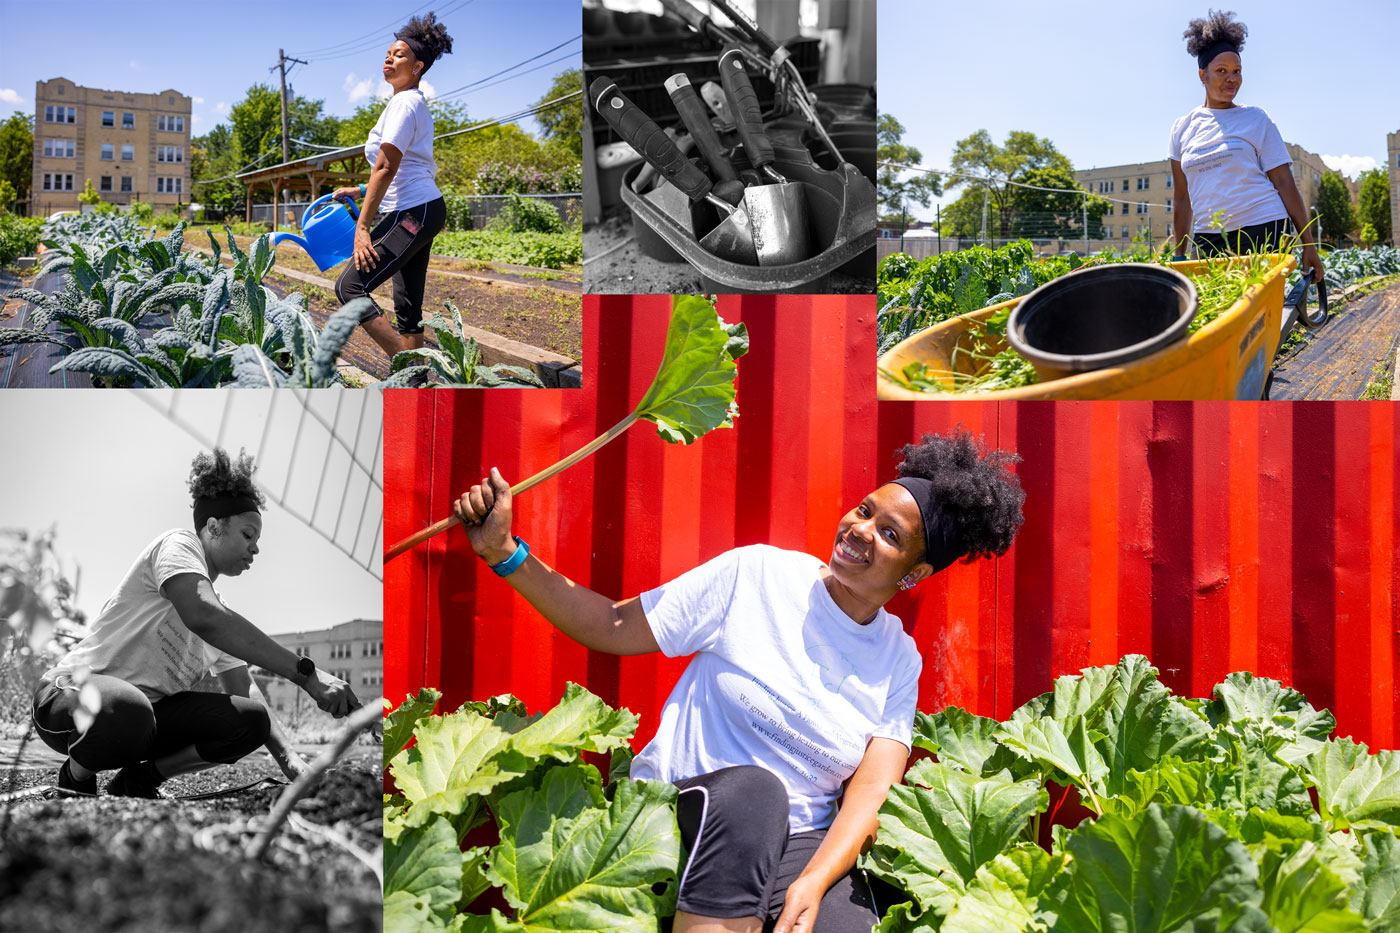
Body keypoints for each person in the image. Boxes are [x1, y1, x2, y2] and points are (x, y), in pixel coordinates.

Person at [455, 430, 1026, 933]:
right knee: (755, 795)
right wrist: (506, 553)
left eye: (890, 534)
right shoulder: (756, 575)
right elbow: (611, 624)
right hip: (687, 806)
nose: (860, 530)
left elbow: (872, 791)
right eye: (863, 510)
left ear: (914, 573)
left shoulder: (899, 659)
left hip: (796, 842)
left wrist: (812, 882)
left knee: (845, 919)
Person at [31, 448, 360, 798]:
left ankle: (141, 779)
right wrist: (307, 676)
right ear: (214, 528)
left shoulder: (221, 613)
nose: (255, 549)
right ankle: (75, 778)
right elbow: (203, 616)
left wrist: (291, 761)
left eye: (257, 541)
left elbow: (245, 689)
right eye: (248, 535)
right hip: (66, 698)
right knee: (130, 710)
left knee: (251, 720)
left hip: (140, 720)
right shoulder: (179, 545)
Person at [331, 12, 454, 359]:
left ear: (417, 67)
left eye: (399, 55)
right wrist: (360, 190)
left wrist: (363, 228)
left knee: (350, 287)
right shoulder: (407, 103)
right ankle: (417, 379)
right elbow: (402, 166)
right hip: (422, 209)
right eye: (387, 54)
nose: (388, 59)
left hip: (413, 212)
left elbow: (386, 166)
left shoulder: (405, 103)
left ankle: (405, 369)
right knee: (407, 302)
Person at [1168, 9, 1322, 282]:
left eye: (1237, 71)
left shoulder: (1256, 119)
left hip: (1262, 227)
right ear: (1202, 75)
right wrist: (1179, 255)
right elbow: (1182, 197)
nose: (1232, 78)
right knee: (1212, 303)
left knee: (1257, 305)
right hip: (1208, 236)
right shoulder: (1183, 128)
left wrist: (1307, 243)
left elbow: (1284, 183)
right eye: (1221, 71)